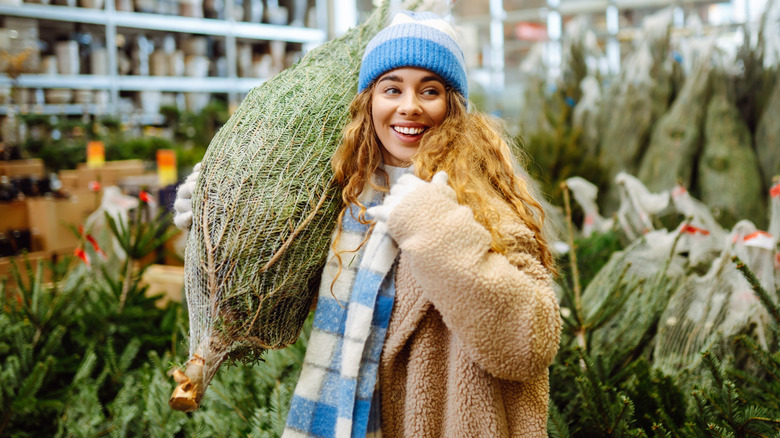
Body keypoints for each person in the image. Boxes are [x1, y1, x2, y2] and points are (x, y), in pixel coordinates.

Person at [175, 10, 561, 438]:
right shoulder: (350, 198)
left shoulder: (482, 200)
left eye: (429, 90)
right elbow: (277, 290)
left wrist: (433, 225)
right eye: (391, 88)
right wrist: (217, 213)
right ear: (369, 102)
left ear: (452, 106)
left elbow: (530, 342)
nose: (409, 106)